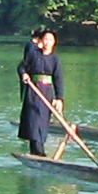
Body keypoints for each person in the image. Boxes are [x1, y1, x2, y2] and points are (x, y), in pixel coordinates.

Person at [17, 26, 65, 157]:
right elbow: (21, 67)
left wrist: (59, 98)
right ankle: (36, 151)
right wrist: (24, 74)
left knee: (43, 119)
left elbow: (58, 79)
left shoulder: (55, 59)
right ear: (41, 41)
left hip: (46, 92)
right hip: (33, 92)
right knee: (33, 118)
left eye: (51, 40)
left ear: (54, 42)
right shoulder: (33, 54)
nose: (48, 42)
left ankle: (39, 150)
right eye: (46, 39)